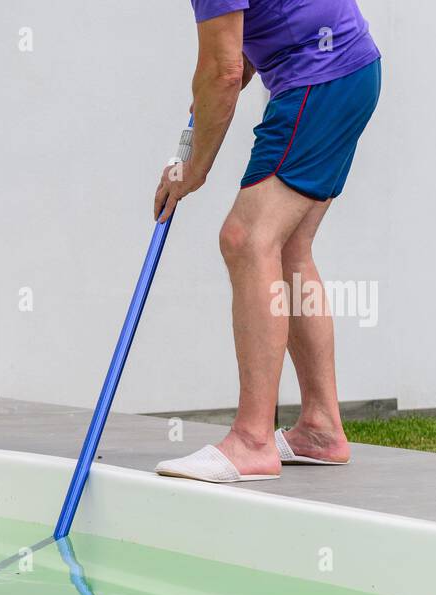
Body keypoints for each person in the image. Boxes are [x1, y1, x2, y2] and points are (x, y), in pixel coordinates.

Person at [154, 0, 381, 483]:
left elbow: (223, 71)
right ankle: (321, 428)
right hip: (349, 71)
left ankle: (253, 440)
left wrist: (191, 167)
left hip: (318, 79)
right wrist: (225, 77)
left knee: (245, 238)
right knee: (287, 247)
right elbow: (239, 55)